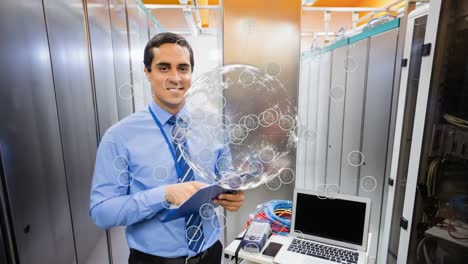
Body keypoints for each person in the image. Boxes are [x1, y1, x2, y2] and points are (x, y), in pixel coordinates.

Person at [90, 32, 245, 264]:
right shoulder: (119, 137)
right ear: (147, 72)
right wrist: (163, 195)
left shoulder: (213, 128)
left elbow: (226, 180)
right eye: (164, 68)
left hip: (211, 254)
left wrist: (234, 197)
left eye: (183, 68)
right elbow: (102, 212)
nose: (175, 77)